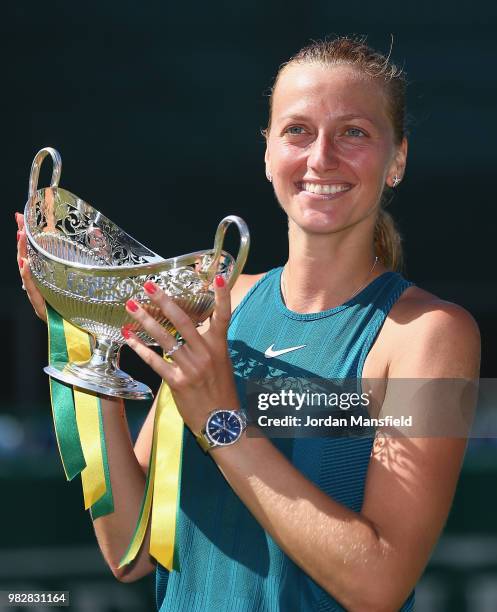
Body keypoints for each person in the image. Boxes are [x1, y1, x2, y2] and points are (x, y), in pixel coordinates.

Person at [16, 35, 480, 612]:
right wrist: (87, 338)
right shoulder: (216, 302)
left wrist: (220, 420)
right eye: (297, 130)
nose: (321, 157)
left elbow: (378, 585)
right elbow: (130, 550)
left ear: (398, 160)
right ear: (267, 154)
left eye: (354, 133)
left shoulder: (434, 334)